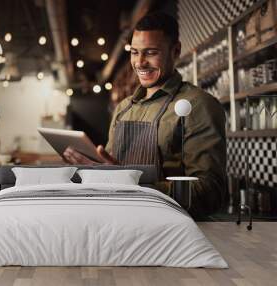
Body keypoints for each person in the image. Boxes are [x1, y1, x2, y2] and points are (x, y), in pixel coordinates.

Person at [63, 12, 227, 218]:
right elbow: (112, 173)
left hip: (173, 232)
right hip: (120, 223)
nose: (140, 62)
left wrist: (128, 182)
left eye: (150, 52)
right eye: (134, 52)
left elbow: (211, 194)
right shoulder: (124, 108)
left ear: (175, 51)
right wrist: (92, 172)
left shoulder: (199, 105)